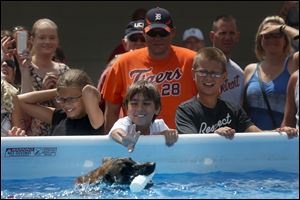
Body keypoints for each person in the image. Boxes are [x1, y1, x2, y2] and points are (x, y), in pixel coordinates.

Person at [101, 7, 197, 132]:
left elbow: (207, 101)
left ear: (173, 33)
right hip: (136, 144)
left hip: (182, 142)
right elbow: (111, 112)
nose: (157, 38)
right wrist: (112, 147)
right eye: (152, 33)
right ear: (144, 33)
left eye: (163, 33)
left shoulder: (192, 60)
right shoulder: (122, 63)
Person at [175, 47, 298, 139]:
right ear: (193, 74)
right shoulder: (185, 111)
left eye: (215, 73)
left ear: (224, 77)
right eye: (203, 72)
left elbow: (259, 135)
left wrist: (281, 132)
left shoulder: (233, 109)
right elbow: (191, 144)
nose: (209, 78)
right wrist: (215, 136)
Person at [244, 15, 299, 130]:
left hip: (285, 139)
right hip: (253, 140)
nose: (272, 39)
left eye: (277, 35)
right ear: (260, 39)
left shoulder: (293, 63)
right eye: (267, 35)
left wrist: (283, 28)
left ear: (285, 39)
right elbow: (240, 111)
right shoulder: (250, 70)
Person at [17, 18, 70, 136]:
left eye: (52, 38)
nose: (47, 41)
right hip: (31, 139)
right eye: (42, 37)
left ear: (57, 41)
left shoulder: (65, 70)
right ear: (32, 40)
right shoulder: (23, 67)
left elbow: (70, 110)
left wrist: (56, 92)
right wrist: (25, 71)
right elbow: (22, 109)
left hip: (61, 135)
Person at [18, 69, 104, 136]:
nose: (66, 104)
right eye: (62, 99)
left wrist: (84, 91)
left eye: (71, 99)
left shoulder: (95, 118)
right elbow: (21, 101)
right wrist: (59, 90)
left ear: (84, 97)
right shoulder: (59, 117)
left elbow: (88, 91)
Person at [109, 80, 178, 152]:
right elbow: (116, 132)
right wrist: (126, 139)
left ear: (157, 108)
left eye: (146, 103)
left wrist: (169, 135)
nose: (140, 108)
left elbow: (171, 146)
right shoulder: (124, 123)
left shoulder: (159, 126)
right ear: (126, 108)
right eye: (134, 103)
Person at [97, 19, 146, 112]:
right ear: (125, 43)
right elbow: (101, 104)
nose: (139, 43)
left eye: (143, 39)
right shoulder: (114, 67)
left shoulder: (161, 66)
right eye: (134, 39)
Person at [209, 15, 244, 107]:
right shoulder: (200, 68)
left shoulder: (239, 73)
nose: (228, 37)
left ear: (237, 36)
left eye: (232, 33)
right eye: (222, 33)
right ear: (212, 36)